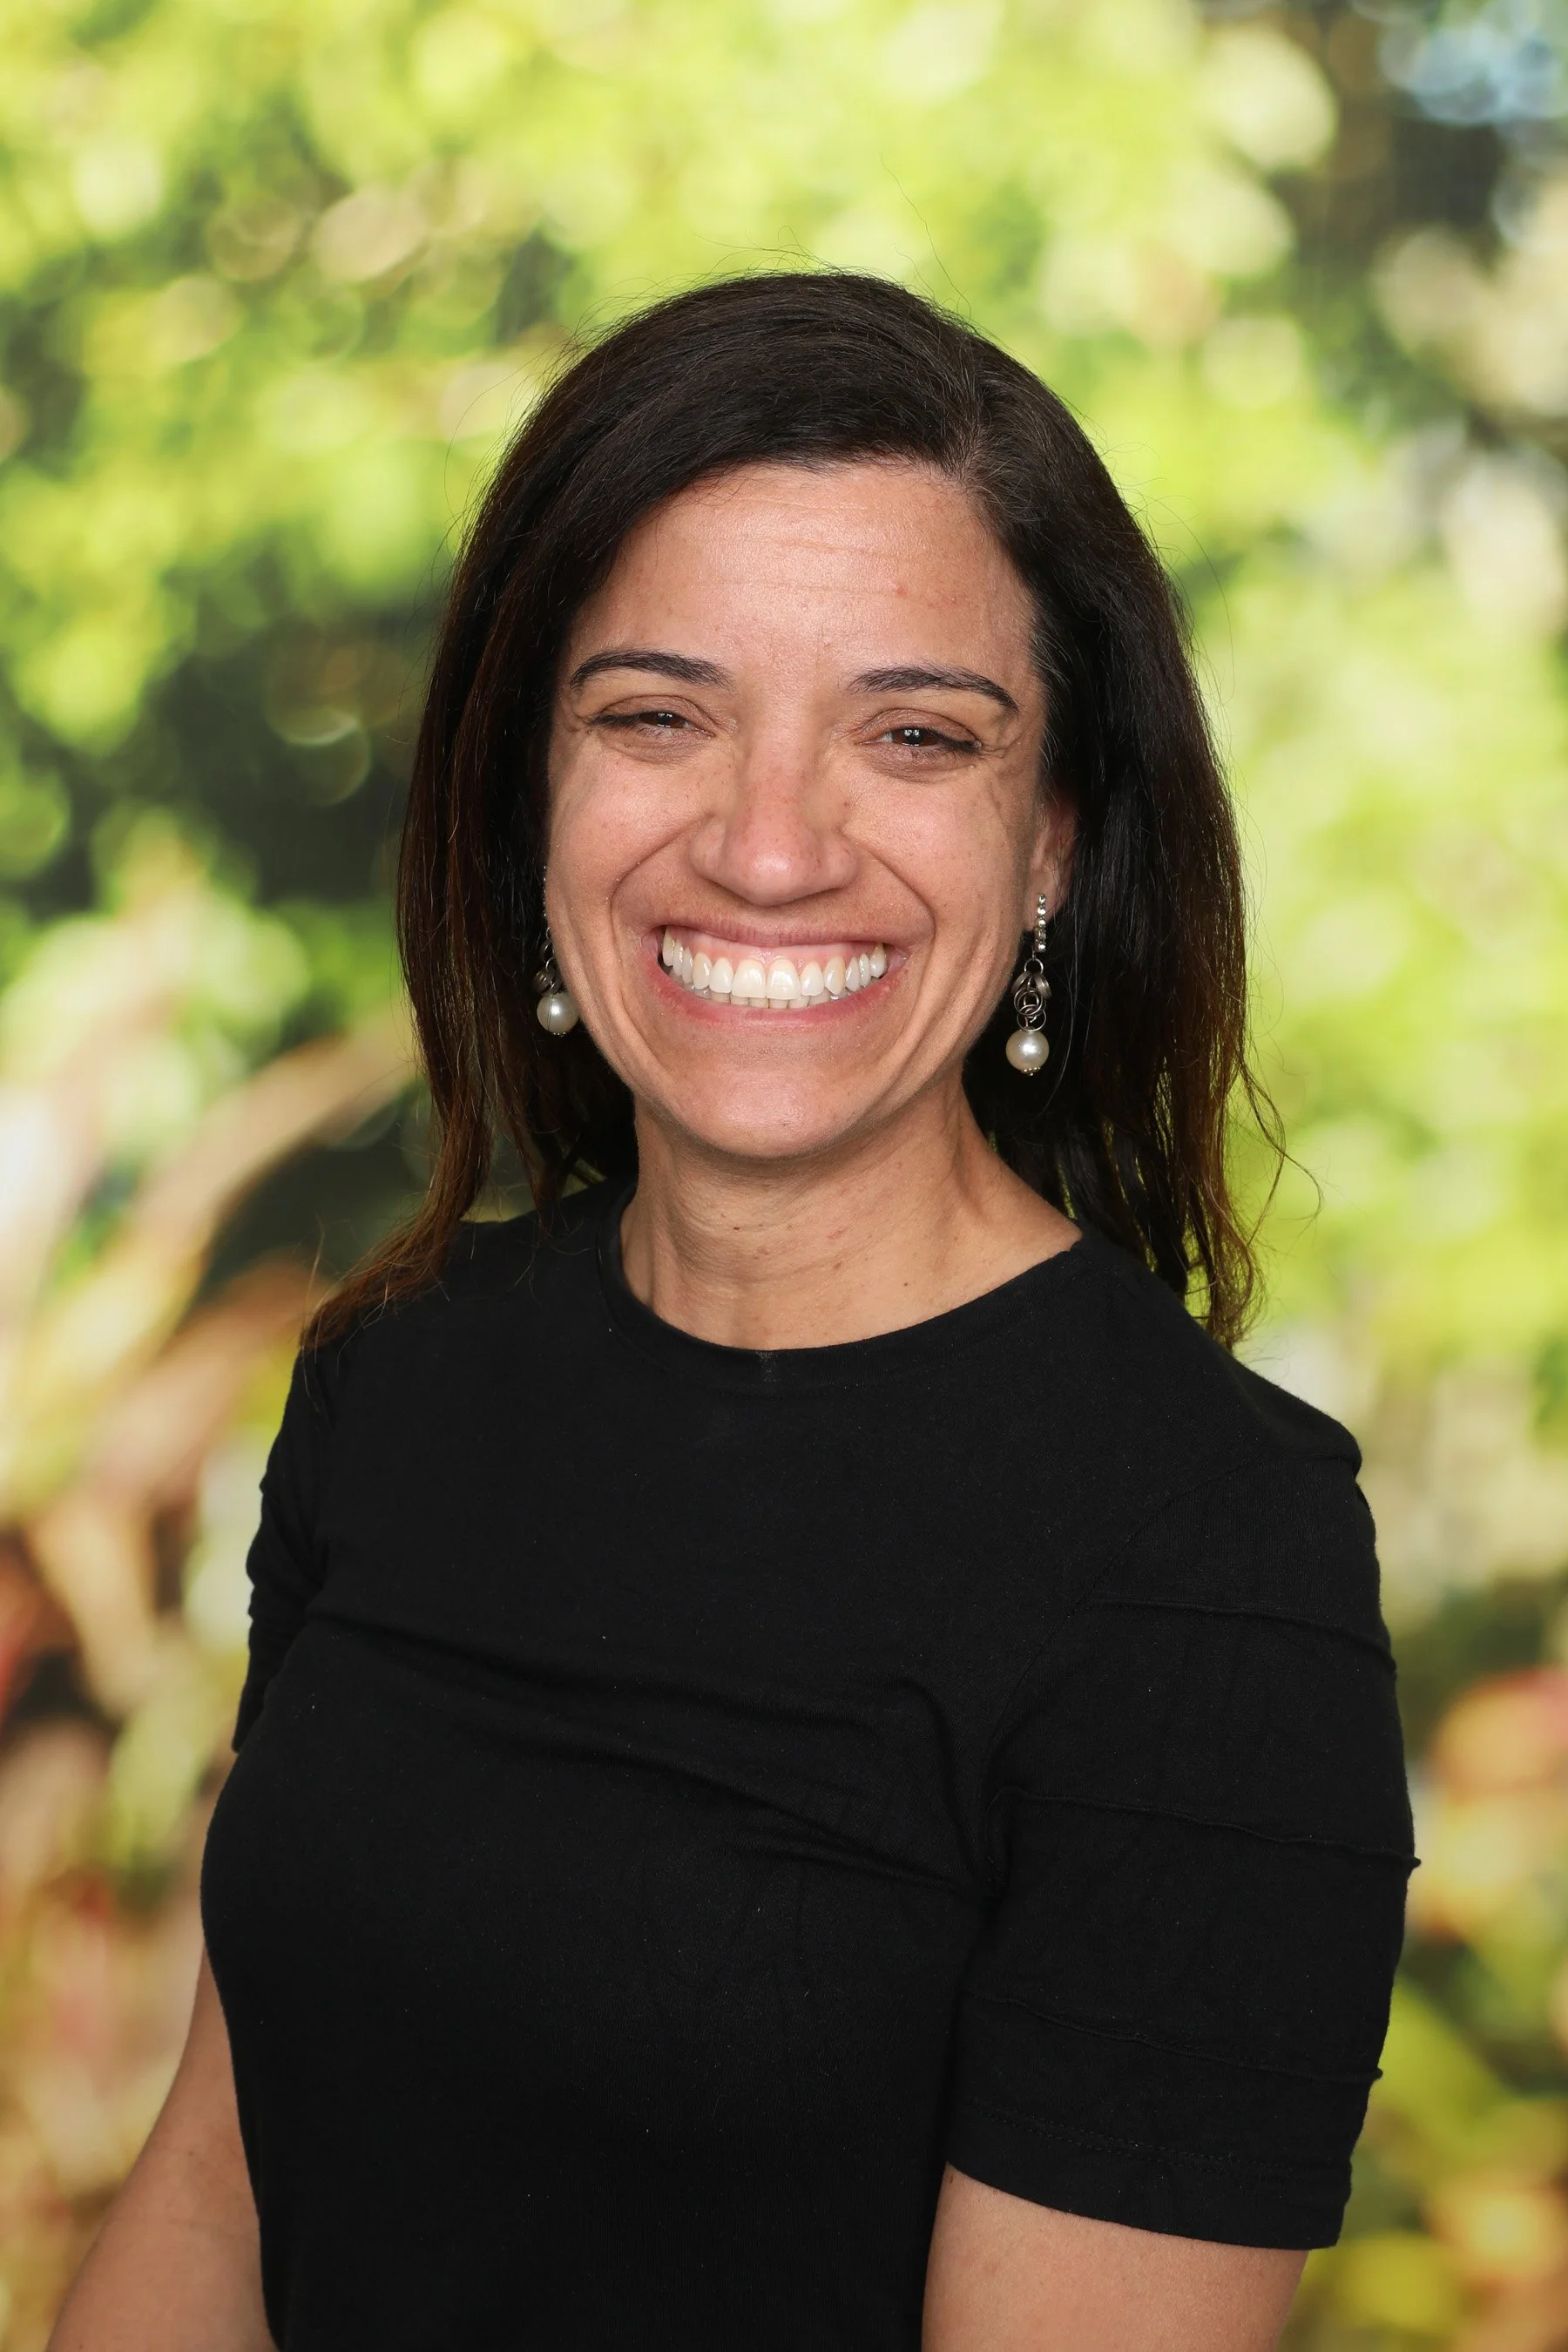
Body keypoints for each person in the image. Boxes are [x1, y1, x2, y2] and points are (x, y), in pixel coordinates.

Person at [51, 273, 1413, 2352]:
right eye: (657, 715)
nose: (768, 847)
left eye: (914, 734)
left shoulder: (1213, 1562)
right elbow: (213, 2203)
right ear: (531, 800)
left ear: (1052, 840)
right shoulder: (393, 1388)